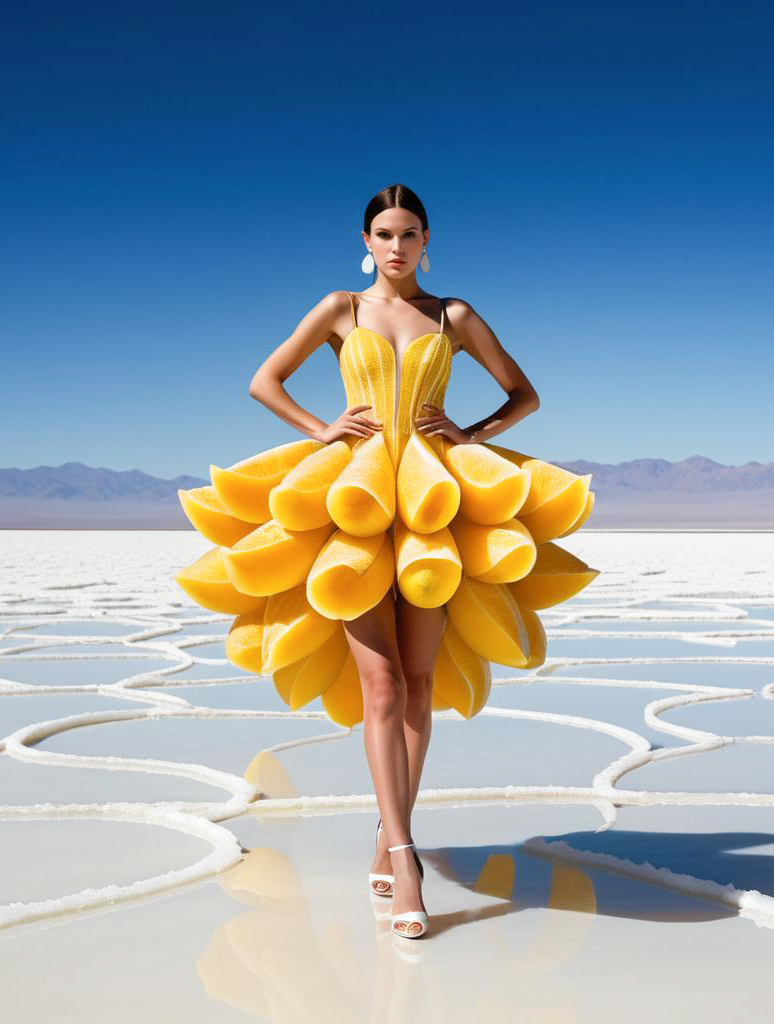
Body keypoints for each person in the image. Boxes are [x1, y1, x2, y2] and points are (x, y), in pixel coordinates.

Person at [176, 183, 598, 941]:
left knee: (420, 685)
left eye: (408, 233)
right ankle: (404, 854)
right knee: (381, 684)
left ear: (427, 239)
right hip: (359, 500)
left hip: (434, 501)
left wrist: (472, 433)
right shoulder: (341, 308)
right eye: (383, 233)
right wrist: (321, 429)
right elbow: (262, 380)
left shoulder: (455, 316)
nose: (396, 245)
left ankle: (386, 827)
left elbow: (524, 394)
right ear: (365, 243)